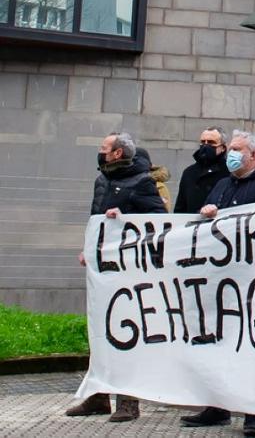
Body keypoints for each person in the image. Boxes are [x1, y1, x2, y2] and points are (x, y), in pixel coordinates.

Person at [182, 131, 255, 436]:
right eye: (231, 150)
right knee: (218, 343)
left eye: (238, 150)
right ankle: (218, 405)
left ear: (254, 156)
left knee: (252, 347)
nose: (231, 155)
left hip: (251, 281)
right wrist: (209, 214)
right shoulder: (223, 185)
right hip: (221, 280)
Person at [66, 132, 166, 423]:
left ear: (118, 153)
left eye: (104, 148)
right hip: (103, 269)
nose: (100, 152)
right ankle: (98, 396)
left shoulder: (142, 182)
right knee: (98, 329)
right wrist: (88, 248)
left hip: (127, 270)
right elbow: (94, 218)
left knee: (125, 331)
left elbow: (157, 220)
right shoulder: (102, 180)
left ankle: (128, 401)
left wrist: (124, 217)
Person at [173, 127, 230, 213]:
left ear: (222, 148)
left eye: (211, 142)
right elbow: (180, 208)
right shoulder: (189, 173)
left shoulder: (229, 172)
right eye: (203, 142)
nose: (206, 145)